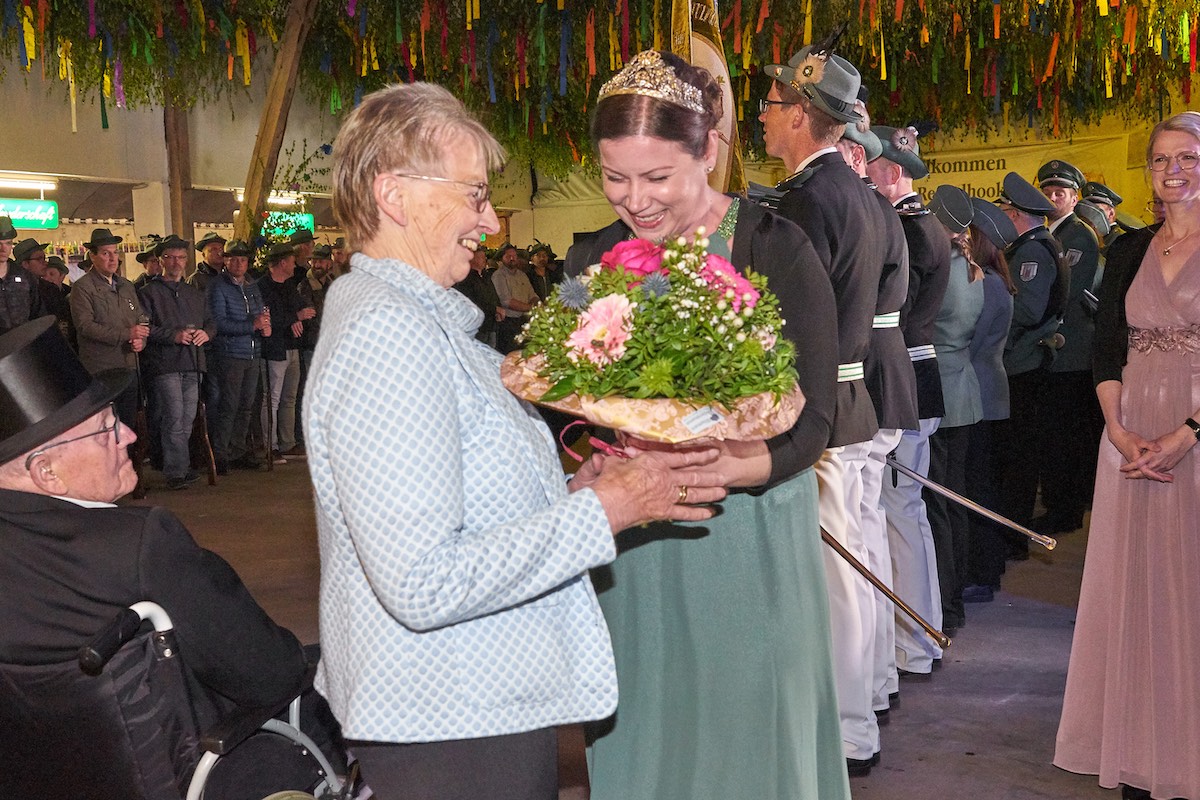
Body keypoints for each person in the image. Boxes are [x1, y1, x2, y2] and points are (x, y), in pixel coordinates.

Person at [304, 80, 727, 799]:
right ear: (394, 195)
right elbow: (423, 580)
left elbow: (454, 505)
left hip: (469, 708)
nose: (490, 220)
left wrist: (569, 493)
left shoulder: (417, 321)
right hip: (448, 719)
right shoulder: (389, 334)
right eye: (474, 195)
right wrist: (605, 512)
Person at [574, 50, 847, 800]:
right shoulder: (596, 257)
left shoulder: (773, 247)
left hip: (747, 536)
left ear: (709, 150)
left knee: (748, 733)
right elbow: (571, 389)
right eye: (615, 177)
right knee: (647, 728)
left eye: (657, 176)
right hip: (635, 544)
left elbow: (815, 420)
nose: (635, 200)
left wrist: (731, 465)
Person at [0, 316, 346, 794]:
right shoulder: (138, 543)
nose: (129, 436)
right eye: (106, 429)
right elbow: (267, 673)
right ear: (47, 472)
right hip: (182, 771)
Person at [1054, 111, 1200, 800]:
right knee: (1135, 595)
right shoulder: (1128, 249)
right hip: (1131, 434)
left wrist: (1186, 434)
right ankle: (1141, 752)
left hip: (1192, 439)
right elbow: (1106, 346)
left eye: (1188, 157)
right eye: (1161, 159)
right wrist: (1116, 427)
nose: (1174, 170)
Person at [761, 41, 885, 774]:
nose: (762, 117)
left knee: (833, 571)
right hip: (851, 396)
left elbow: (790, 317)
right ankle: (863, 704)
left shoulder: (807, 200)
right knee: (854, 560)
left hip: (820, 406)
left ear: (801, 115)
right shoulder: (857, 191)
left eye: (772, 104)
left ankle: (846, 730)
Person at [839, 109, 918, 726]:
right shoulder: (882, 209)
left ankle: (860, 697)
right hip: (879, 373)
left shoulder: (855, 207)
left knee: (855, 540)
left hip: (862, 375)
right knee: (868, 529)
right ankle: (878, 678)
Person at [994, 173, 1065, 559]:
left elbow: (1026, 310)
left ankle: (1012, 540)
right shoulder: (1039, 245)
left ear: (1015, 214)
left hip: (1023, 363)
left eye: (1005, 211)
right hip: (1028, 360)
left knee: (1018, 461)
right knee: (1020, 457)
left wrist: (991, 304)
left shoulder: (1033, 252)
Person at [925, 186, 984, 629]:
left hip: (939, 392)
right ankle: (955, 596)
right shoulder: (972, 269)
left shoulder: (940, 268)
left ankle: (944, 603)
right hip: (963, 391)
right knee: (955, 500)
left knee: (937, 505)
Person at [1034, 160, 1102, 536]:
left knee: (1066, 437)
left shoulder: (1078, 236)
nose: (1053, 197)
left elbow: (1065, 292)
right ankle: (1060, 505)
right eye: (1047, 191)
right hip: (1056, 352)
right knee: (1055, 437)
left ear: (1075, 198)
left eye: (1060, 192)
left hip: (1069, 351)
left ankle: (1066, 510)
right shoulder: (1052, 232)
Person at [961, 196, 1017, 603]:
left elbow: (970, 341)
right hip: (988, 391)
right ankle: (987, 568)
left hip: (980, 392)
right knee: (983, 484)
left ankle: (982, 571)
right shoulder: (996, 280)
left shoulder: (989, 284)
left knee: (979, 487)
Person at [137, 235, 215, 490]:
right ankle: (175, 471)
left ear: (186, 260)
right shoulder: (148, 293)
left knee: (187, 418)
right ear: (160, 260)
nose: (176, 262)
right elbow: (145, 328)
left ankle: (181, 466)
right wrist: (174, 336)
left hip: (193, 362)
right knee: (173, 417)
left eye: (180, 257)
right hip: (165, 364)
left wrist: (206, 333)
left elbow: (211, 322)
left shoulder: (195, 293)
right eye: (170, 257)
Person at [69, 227, 148, 428]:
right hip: (102, 370)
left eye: (115, 252)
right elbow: (85, 326)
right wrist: (126, 333)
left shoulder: (126, 286)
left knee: (128, 426)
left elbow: (140, 318)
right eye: (106, 253)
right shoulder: (83, 287)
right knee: (106, 428)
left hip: (128, 366)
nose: (113, 258)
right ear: (92, 256)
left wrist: (141, 339)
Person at [208, 239, 270, 474]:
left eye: (242, 260)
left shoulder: (251, 286)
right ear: (226, 261)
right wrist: (252, 325)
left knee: (246, 405)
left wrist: (265, 326)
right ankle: (221, 454)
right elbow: (218, 323)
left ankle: (238, 450)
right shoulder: (218, 287)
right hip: (230, 353)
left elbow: (260, 313)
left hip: (252, 352)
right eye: (233, 259)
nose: (238, 264)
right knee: (229, 405)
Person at [257, 242, 314, 462]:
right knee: (272, 398)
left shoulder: (289, 286)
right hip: (275, 349)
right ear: (282, 263)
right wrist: (294, 318)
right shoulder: (262, 288)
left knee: (289, 397)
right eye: (291, 261)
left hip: (292, 346)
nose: (294, 265)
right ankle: (270, 446)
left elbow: (302, 308)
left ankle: (287, 442)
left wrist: (294, 318)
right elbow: (268, 319)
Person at [0, 218, 49, 335]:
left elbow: (38, 314)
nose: (3, 249)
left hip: (23, 342)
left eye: (8, 243)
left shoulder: (25, 277)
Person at [491, 241, 539, 353]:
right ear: (502, 258)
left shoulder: (522, 275)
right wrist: (531, 308)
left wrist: (537, 304)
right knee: (511, 355)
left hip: (524, 321)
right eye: (508, 256)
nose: (512, 259)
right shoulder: (499, 276)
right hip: (508, 324)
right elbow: (506, 301)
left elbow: (532, 295)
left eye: (514, 256)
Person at [453, 245, 503, 348]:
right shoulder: (466, 279)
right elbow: (473, 301)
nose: (485, 260)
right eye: (481, 257)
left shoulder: (486, 276)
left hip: (491, 324)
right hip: (478, 326)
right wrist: (494, 309)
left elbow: (493, 294)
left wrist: (498, 308)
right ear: (473, 259)